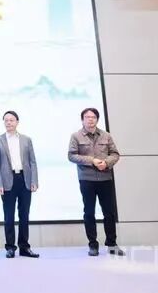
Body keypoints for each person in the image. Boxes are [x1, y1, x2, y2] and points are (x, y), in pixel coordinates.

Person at [68, 107, 123, 257]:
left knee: (109, 213)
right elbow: (71, 156)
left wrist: (106, 162)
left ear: (97, 119)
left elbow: (115, 154)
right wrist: (92, 160)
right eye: (87, 117)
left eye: (93, 117)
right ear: (82, 120)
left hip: (105, 178)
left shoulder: (106, 135)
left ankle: (111, 244)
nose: (90, 119)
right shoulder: (76, 136)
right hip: (87, 179)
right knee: (89, 212)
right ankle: (93, 244)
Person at [0, 111, 39, 258]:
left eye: (11, 120)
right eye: (6, 120)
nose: (9, 122)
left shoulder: (26, 140)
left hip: (24, 179)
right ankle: (10, 247)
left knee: (24, 215)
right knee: (9, 216)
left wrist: (34, 181)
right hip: (7, 181)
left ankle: (24, 247)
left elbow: (32, 161)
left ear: (17, 122)